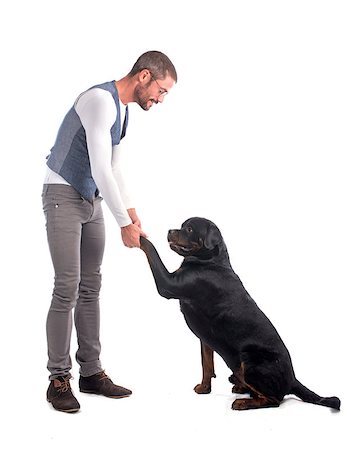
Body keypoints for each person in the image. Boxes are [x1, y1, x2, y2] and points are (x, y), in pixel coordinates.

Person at [42, 50, 177, 413]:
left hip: (91, 202)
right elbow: (99, 167)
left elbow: (114, 171)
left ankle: (91, 372)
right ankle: (58, 378)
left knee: (91, 286)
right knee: (67, 286)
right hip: (63, 195)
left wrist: (131, 215)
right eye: (161, 91)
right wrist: (122, 225)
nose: (160, 100)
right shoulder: (100, 100)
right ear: (145, 76)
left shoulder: (124, 112)